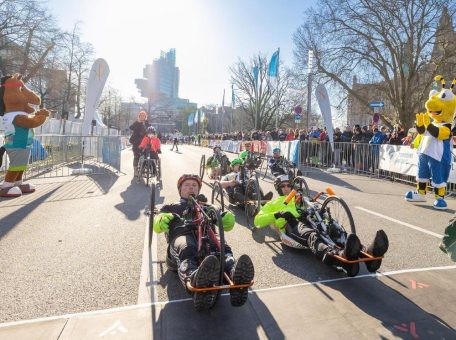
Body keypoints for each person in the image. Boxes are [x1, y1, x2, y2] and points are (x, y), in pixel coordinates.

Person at [153, 174, 254, 307]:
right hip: (181, 240)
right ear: (180, 189)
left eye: (194, 185)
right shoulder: (171, 207)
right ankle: (194, 278)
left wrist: (226, 218)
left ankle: (234, 273)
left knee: (222, 246)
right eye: (187, 185)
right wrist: (162, 219)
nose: (191, 188)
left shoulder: (207, 207)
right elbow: (157, 223)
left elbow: (226, 225)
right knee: (187, 247)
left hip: (207, 240)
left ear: (199, 190)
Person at [254, 175, 389, 270]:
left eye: (289, 185)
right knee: (312, 234)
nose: (287, 188)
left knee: (334, 227)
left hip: (307, 218)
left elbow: (311, 205)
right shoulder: (272, 203)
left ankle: (367, 251)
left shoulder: (298, 196)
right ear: (278, 188)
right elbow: (258, 220)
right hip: (291, 224)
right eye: (283, 186)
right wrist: (278, 214)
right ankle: (335, 255)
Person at [129, 111, 150, 176]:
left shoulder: (147, 123)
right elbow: (131, 127)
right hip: (136, 142)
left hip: (145, 142)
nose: (142, 117)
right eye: (141, 115)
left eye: (143, 116)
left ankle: (143, 168)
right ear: (139, 116)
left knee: (145, 156)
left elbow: (151, 130)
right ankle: (135, 171)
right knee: (136, 156)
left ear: (145, 116)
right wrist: (138, 122)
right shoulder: (137, 122)